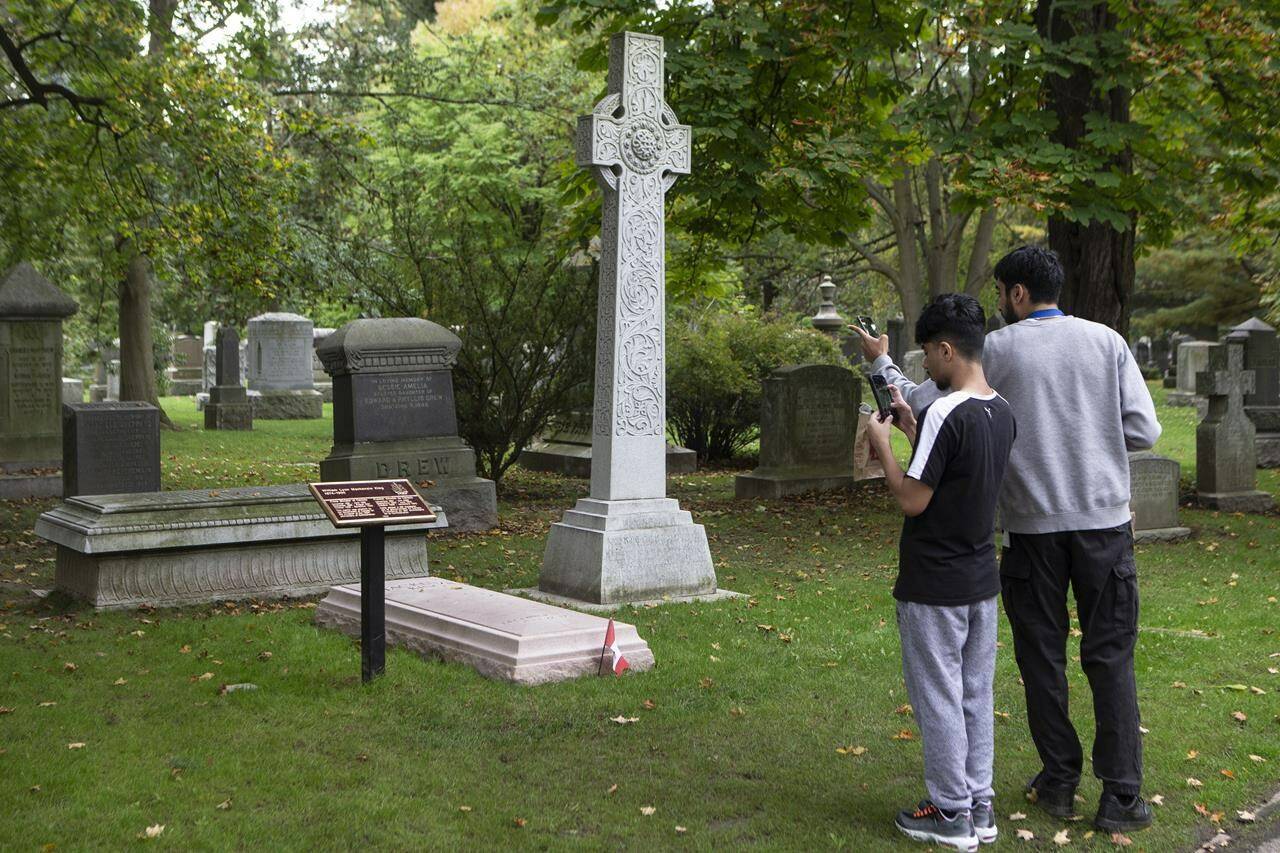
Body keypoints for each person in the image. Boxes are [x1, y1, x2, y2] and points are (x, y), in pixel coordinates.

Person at [853, 246, 1162, 832]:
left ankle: (1059, 782)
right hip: (1105, 525)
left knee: (1041, 656)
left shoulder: (998, 349)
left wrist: (880, 364)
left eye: (1001, 294)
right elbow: (1143, 428)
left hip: (1032, 528)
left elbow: (928, 395)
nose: (999, 305)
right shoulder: (1106, 341)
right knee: (1111, 655)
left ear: (1018, 294)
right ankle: (1122, 796)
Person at [866, 293, 1016, 852]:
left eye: (928, 353)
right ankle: (978, 804)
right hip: (980, 579)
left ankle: (950, 813)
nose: (925, 365)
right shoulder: (1000, 409)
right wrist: (910, 427)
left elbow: (912, 499)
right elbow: (954, 471)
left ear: (947, 349)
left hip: (934, 583)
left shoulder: (945, 413)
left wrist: (882, 446)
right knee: (975, 694)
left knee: (939, 697)